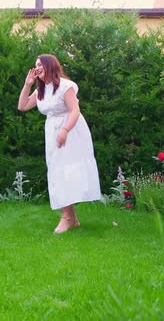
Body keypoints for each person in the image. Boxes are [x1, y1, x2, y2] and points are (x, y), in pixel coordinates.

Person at [18, 54, 101, 234]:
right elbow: (22, 106)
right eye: (35, 65)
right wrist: (27, 84)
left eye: (40, 64)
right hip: (52, 132)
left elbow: (75, 111)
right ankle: (72, 218)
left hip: (72, 132)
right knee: (58, 171)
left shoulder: (65, 86)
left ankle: (67, 218)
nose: (37, 67)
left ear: (50, 66)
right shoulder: (41, 90)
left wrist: (64, 131)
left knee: (66, 171)